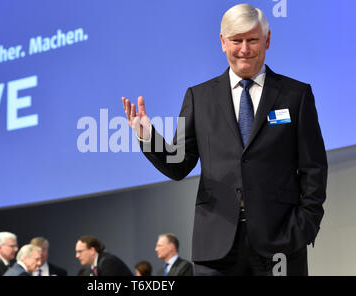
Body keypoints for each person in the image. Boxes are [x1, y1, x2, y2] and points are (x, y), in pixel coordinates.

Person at [122, 3, 327, 276]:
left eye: (252, 40)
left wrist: (305, 225)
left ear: (267, 40)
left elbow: (314, 168)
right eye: (236, 40)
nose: (244, 49)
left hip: (281, 242)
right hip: (216, 246)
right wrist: (147, 136)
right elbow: (179, 164)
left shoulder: (296, 95)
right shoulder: (199, 97)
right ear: (222, 42)